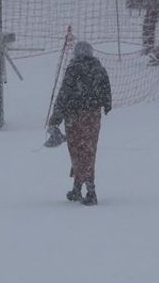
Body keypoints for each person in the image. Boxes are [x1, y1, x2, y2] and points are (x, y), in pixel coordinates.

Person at [48, 41, 112, 206]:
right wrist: (105, 105)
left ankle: (89, 190)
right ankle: (79, 188)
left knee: (76, 151)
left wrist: (55, 119)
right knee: (89, 150)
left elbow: (64, 94)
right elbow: (106, 90)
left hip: (74, 116)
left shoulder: (73, 69)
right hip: (93, 116)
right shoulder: (99, 69)